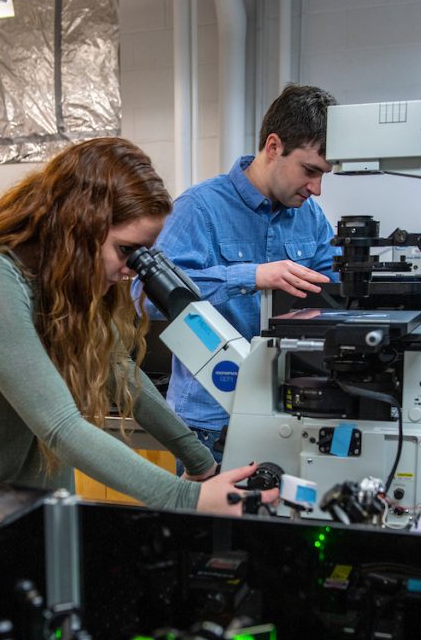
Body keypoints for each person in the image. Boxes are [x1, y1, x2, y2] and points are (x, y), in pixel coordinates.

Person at [0, 137, 277, 515]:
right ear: (79, 228)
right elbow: (59, 425)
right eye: (126, 251)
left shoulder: (65, 288)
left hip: (18, 497)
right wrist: (183, 498)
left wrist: (201, 462)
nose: (131, 270)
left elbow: (121, 375)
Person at [145, 83, 340, 464]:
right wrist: (248, 277)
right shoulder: (199, 209)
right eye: (309, 171)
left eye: (324, 175)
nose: (316, 188)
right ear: (273, 147)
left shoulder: (310, 218)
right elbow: (146, 299)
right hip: (210, 426)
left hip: (285, 416)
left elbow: (334, 292)